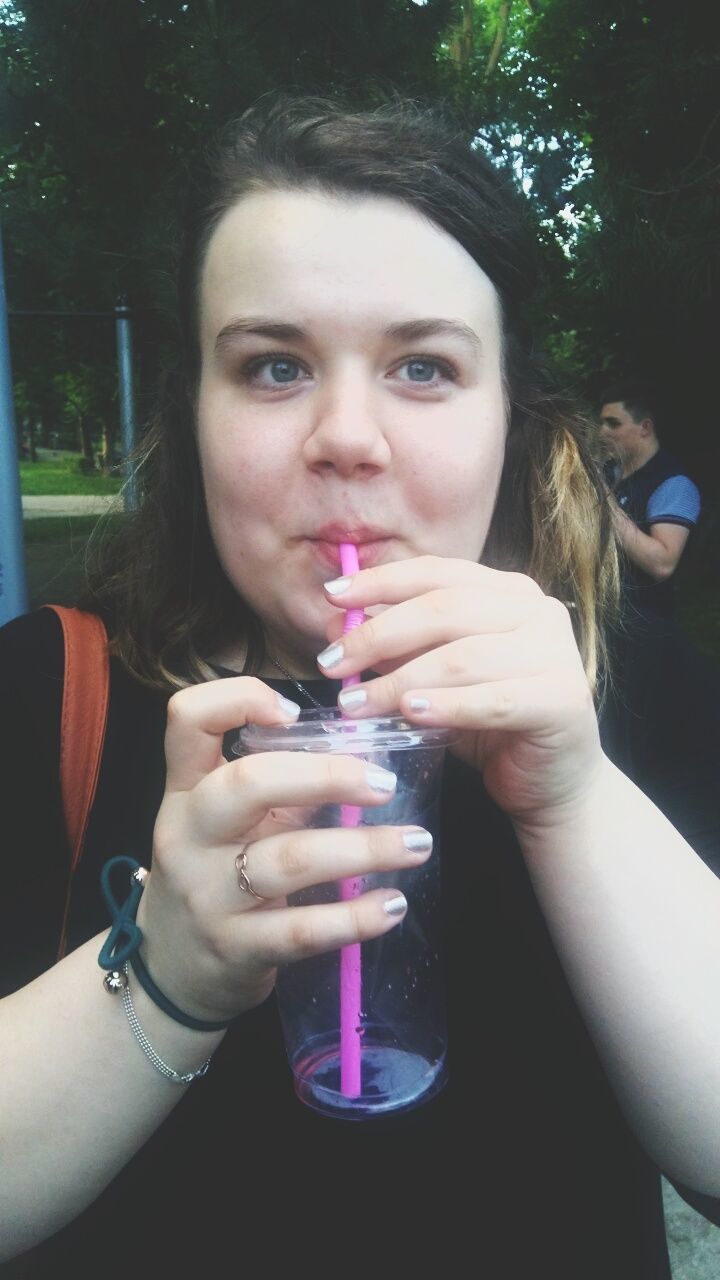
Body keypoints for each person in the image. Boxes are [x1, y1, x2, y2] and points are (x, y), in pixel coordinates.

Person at [2, 97, 720, 1279]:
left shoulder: (622, 680)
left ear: (508, 417)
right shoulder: (46, 694)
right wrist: (167, 970)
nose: (346, 435)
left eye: (425, 367)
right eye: (274, 365)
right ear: (194, 409)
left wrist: (576, 800)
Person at [599, 385, 701, 617]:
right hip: (600, 613)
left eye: (613, 423)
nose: (602, 432)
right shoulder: (607, 471)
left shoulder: (674, 484)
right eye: (602, 423)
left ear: (645, 427)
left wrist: (605, 504)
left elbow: (662, 564)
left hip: (644, 622)